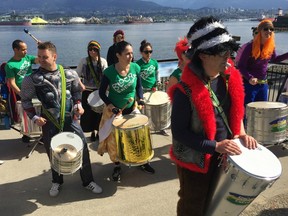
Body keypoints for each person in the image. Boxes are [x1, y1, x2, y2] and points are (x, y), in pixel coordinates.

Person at [168, 16, 257, 216]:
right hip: (196, 161)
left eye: (229, 51)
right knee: (193, 206)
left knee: (217, 204)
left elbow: (235, 112)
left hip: (225, 155)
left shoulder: (229, 77)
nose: (228, 56)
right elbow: (179, 132)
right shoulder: (184, 91)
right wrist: (215, 146)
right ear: (204, 55)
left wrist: (241, 133)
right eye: (222, 52)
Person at [20, 41, 102, 197]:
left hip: (70, 119)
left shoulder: (69, 74)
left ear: (54, 56)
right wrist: (35, 117)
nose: (41, 60)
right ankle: (56, 181)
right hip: (49, 120)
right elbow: (25, 100)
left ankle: (88, 181)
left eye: (45, 57)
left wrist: (79, 104)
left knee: (82, 148)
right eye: (39, 57)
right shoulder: (32, 79)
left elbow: (77, 92)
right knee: (53, 152)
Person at [98, 40, 155, 181]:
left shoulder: (135, 67)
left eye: (131, 53)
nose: (130, 56)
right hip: (114, 111)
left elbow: (139, 87)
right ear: (118, 55)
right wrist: (111, 106)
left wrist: (140, 98)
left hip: (131, 108)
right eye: (127, 54)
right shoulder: (109, 72)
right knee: (113, 141)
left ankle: (143, 161)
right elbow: (101, 93)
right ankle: (117, 165)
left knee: (138, 137)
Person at [237, 19, 288, 106]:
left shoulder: (270, 46)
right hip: (250, 85)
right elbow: (240, 66)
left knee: (262, 109)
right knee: (249, 112)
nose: (269, 31)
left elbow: (275, 59)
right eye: (265, 29)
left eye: (271, 29)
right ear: (260, 31)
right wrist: (250, 78)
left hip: (263, 84)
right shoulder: (250, 47)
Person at [5, 39, 39, 142]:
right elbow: (12, 83)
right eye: (23, 50)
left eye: (26, 49)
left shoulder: (28, 58)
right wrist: (21, 94)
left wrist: (42, 47)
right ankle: (26, 134)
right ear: (16, 50)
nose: (26, 52)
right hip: (22, 92)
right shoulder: (10, 65)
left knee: (38, 111)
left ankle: (40, 131)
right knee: (26, 114)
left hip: (34, 89)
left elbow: (41, 59)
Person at [136, 40, 169, 136]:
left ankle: (161, 127)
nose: (148, 54)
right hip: (143, 91)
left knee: (157, 111)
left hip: (154, 90)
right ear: (141, 52)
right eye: (146, 52)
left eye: (150, 51)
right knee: (143, 111)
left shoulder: (154, 62)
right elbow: (136, 79)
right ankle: (145, 129)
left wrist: (157, 83)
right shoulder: (137, 65)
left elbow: (157, 73)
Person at [76, 40, 108, 141]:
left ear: (98, 50)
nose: (92, 51)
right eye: (90, 49)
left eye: (94, 49)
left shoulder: (103, 61)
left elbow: (106, 76)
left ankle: (99, 131)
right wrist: (80, 84)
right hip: (87, 90)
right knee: (89, 114)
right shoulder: (83, 61)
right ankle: (92, 132)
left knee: (100, 113)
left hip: (99, 91)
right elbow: (76, 75)